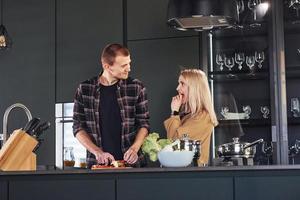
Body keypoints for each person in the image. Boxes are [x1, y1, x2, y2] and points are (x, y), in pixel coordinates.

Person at [73, 43, 150, 168]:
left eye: (129, 63)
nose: (129, 68)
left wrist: (134, 149)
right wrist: (97, 152)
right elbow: (78, 127)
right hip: (98, 165)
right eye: (124, 65)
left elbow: (144, 124)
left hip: (133, 166)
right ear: (107, 66)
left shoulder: (136, 87)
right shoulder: (85, 89)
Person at [164, 68, 218, 165]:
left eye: (182, 84)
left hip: (191, 174)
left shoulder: (202, 117)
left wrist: (174, 112)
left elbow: (174, 142)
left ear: (194, 88)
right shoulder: (188, 115)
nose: (177, 88)